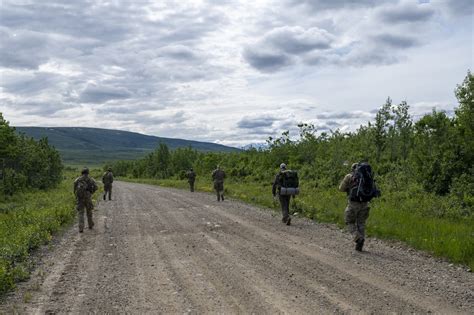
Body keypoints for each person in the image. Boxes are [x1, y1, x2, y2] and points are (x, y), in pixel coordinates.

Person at [339, 163, 370, 251]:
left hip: (353, 203)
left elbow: (341, 188)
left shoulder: (349, 176)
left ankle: (358, 238)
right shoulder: (367, 177)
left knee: (349, 222)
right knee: (361, 223)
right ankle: (361, 241)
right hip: (365, 203)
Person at [74, 167, 98, 233]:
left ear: (82, 172)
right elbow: (96, 187)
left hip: (80, 198)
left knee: (81, 213)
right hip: (88, 197)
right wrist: (91, 192)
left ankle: (81, 228)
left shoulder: (78, 179)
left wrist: (76, 195)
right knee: (89, 212)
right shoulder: (91, 179)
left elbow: (74, 188)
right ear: (88, 172)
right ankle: (90, 225)